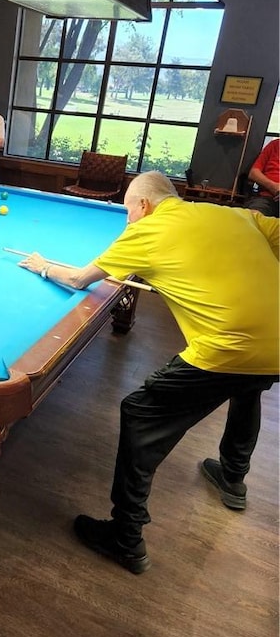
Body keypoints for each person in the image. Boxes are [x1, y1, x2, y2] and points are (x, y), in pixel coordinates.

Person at [19, 171, 279, 574]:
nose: (128, 221)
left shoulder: (148, 228)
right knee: (249, 385)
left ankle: (125, 537)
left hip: (229, 347)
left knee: (141, 413)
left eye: (127, 212)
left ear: (143, 205)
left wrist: (41, 265)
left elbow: (77, 279)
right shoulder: (236, 215)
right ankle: (232, 476)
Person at [246, 137, 279, 217]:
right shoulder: (275, 144)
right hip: (267, 198)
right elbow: (253, 173)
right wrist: (274, 187)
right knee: (251, 218)